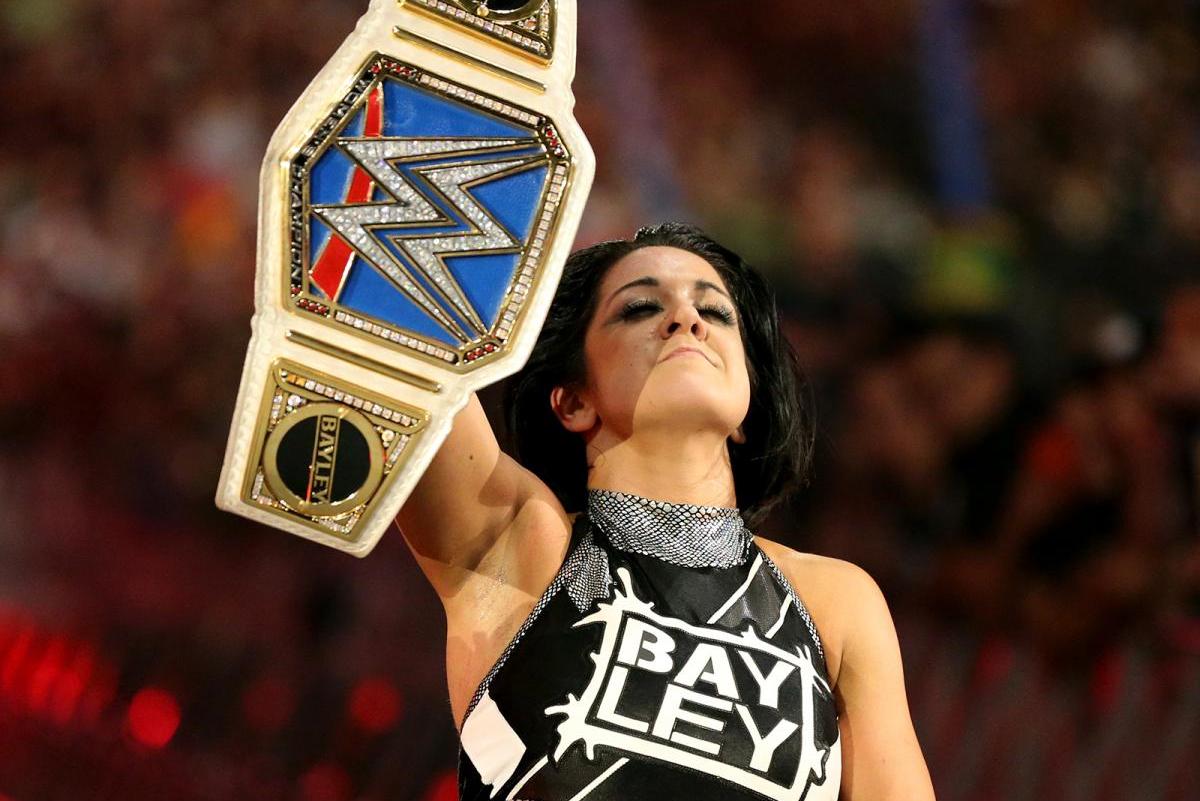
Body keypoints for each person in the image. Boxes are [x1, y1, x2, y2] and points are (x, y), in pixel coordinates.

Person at [396, 223, 935, 800]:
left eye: (716, 311)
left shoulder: (835, 604)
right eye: (641, 308)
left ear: (747, 405)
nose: (688, 319)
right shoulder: (521, 544)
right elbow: (391, 317)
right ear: (573, 401)